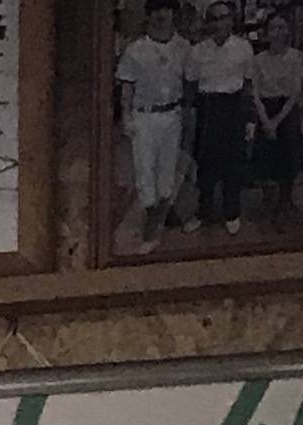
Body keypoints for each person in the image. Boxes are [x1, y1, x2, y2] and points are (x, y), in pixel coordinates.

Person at [118, 3, 191, 251]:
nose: (162, 15)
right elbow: (127, 86)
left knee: (168, 168)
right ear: (149, 15)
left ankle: (164, 213)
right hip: (144, 116)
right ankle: (151, 221)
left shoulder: (183, 47)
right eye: (157, 10)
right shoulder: (135, 49)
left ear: (173, 14)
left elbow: (189, 81)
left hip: (172, 114)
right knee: (145, 169)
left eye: (166, 9)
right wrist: (126, 116)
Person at [184, 3, 256, 233]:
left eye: (223, 17)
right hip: (208, 108)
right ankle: (203, 211)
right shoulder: (197, 51)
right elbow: (190, 86)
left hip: (234, 107)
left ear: (231, 20)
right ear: (208, 23)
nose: (219, 23)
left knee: (234, 161)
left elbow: (248, 85)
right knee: (206, 162)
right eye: (214, 19)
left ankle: (232, 212)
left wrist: (250, 118)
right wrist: (189, 116)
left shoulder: (244, 47)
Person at [253, 10, 303, 224]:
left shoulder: (296, 57)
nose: (277, 32)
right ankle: (267, 199)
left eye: (281, 27)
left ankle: (286, 200)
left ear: (288, 30)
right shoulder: (258, 59)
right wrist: (266, 120)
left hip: (287, 109)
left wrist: (277, 120)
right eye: (273, 28)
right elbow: (255, 93)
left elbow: (296, 92)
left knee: (289, 155)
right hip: (265, 109)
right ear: (266, 32)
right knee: (265, 157)